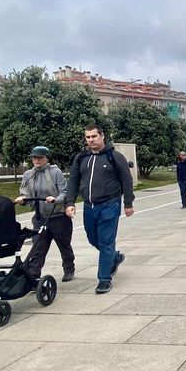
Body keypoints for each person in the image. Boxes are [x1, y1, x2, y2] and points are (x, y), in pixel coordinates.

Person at [65, 124, 135, 294]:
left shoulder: (114, 157)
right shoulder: (81, 158)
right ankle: (115, 257)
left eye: (94, 136)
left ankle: (104, 279)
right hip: (90, 206)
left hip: (110, 204)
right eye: (88, 137)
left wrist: (128, 203)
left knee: (106, 241)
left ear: (102, 136)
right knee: (92, 239)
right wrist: (70, 203)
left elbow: (127, 180)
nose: (91, 140)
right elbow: (73, 180)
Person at [15, 146, 75, 282]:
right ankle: (33, 276)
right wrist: (22, 199)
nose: (36, 160)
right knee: (38, 248)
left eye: (40, 157)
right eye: (34, 157)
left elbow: (64, 192)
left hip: (58, 217)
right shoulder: (28, 174)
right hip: (40, 218)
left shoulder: (55, 172)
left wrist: (56, 199)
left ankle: (69, 269)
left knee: (64, 245)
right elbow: (25, 192)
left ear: (47, 158)